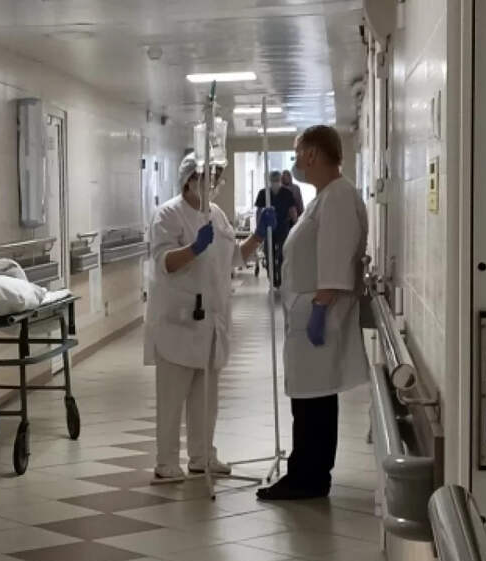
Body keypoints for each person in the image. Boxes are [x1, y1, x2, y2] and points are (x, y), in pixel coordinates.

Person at [145, 154, 276, 480]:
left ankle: (202, 456)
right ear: (189, 179)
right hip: (178, 322)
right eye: (208, 176)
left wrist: (258, 236)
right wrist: (193, 248)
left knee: (206, 399)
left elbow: (234, 258)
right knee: (172, 399)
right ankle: (166, 462)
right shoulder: (168, 214)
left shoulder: (216, 215)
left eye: (217, 176)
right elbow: (164, 262)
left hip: (211, 321)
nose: (213, 183)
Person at [257, 125, 369, 500]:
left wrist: (320, 307)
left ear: (311, 154)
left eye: (297, 153)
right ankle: (309, 473)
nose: (295, 162)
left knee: (313, 400)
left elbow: (335, 257)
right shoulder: (325, 196)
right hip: (310, 307)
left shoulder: (337, 196)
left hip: (319, 309)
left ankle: (308, 477)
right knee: (311, 398)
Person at [254, 171, 303, 287]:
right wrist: (259, 228)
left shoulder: (287, 193)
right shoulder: (263, 193)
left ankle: (280, 278)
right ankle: (272, 278)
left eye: (277, 180)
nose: (275, 183)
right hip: (268, 229)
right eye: (273, 181)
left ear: (280, 181)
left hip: (282, 227)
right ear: (269, 181)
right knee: (268, 254)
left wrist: (296, 226)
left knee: (282, 254)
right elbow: (259, 211)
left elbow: (292, 210)